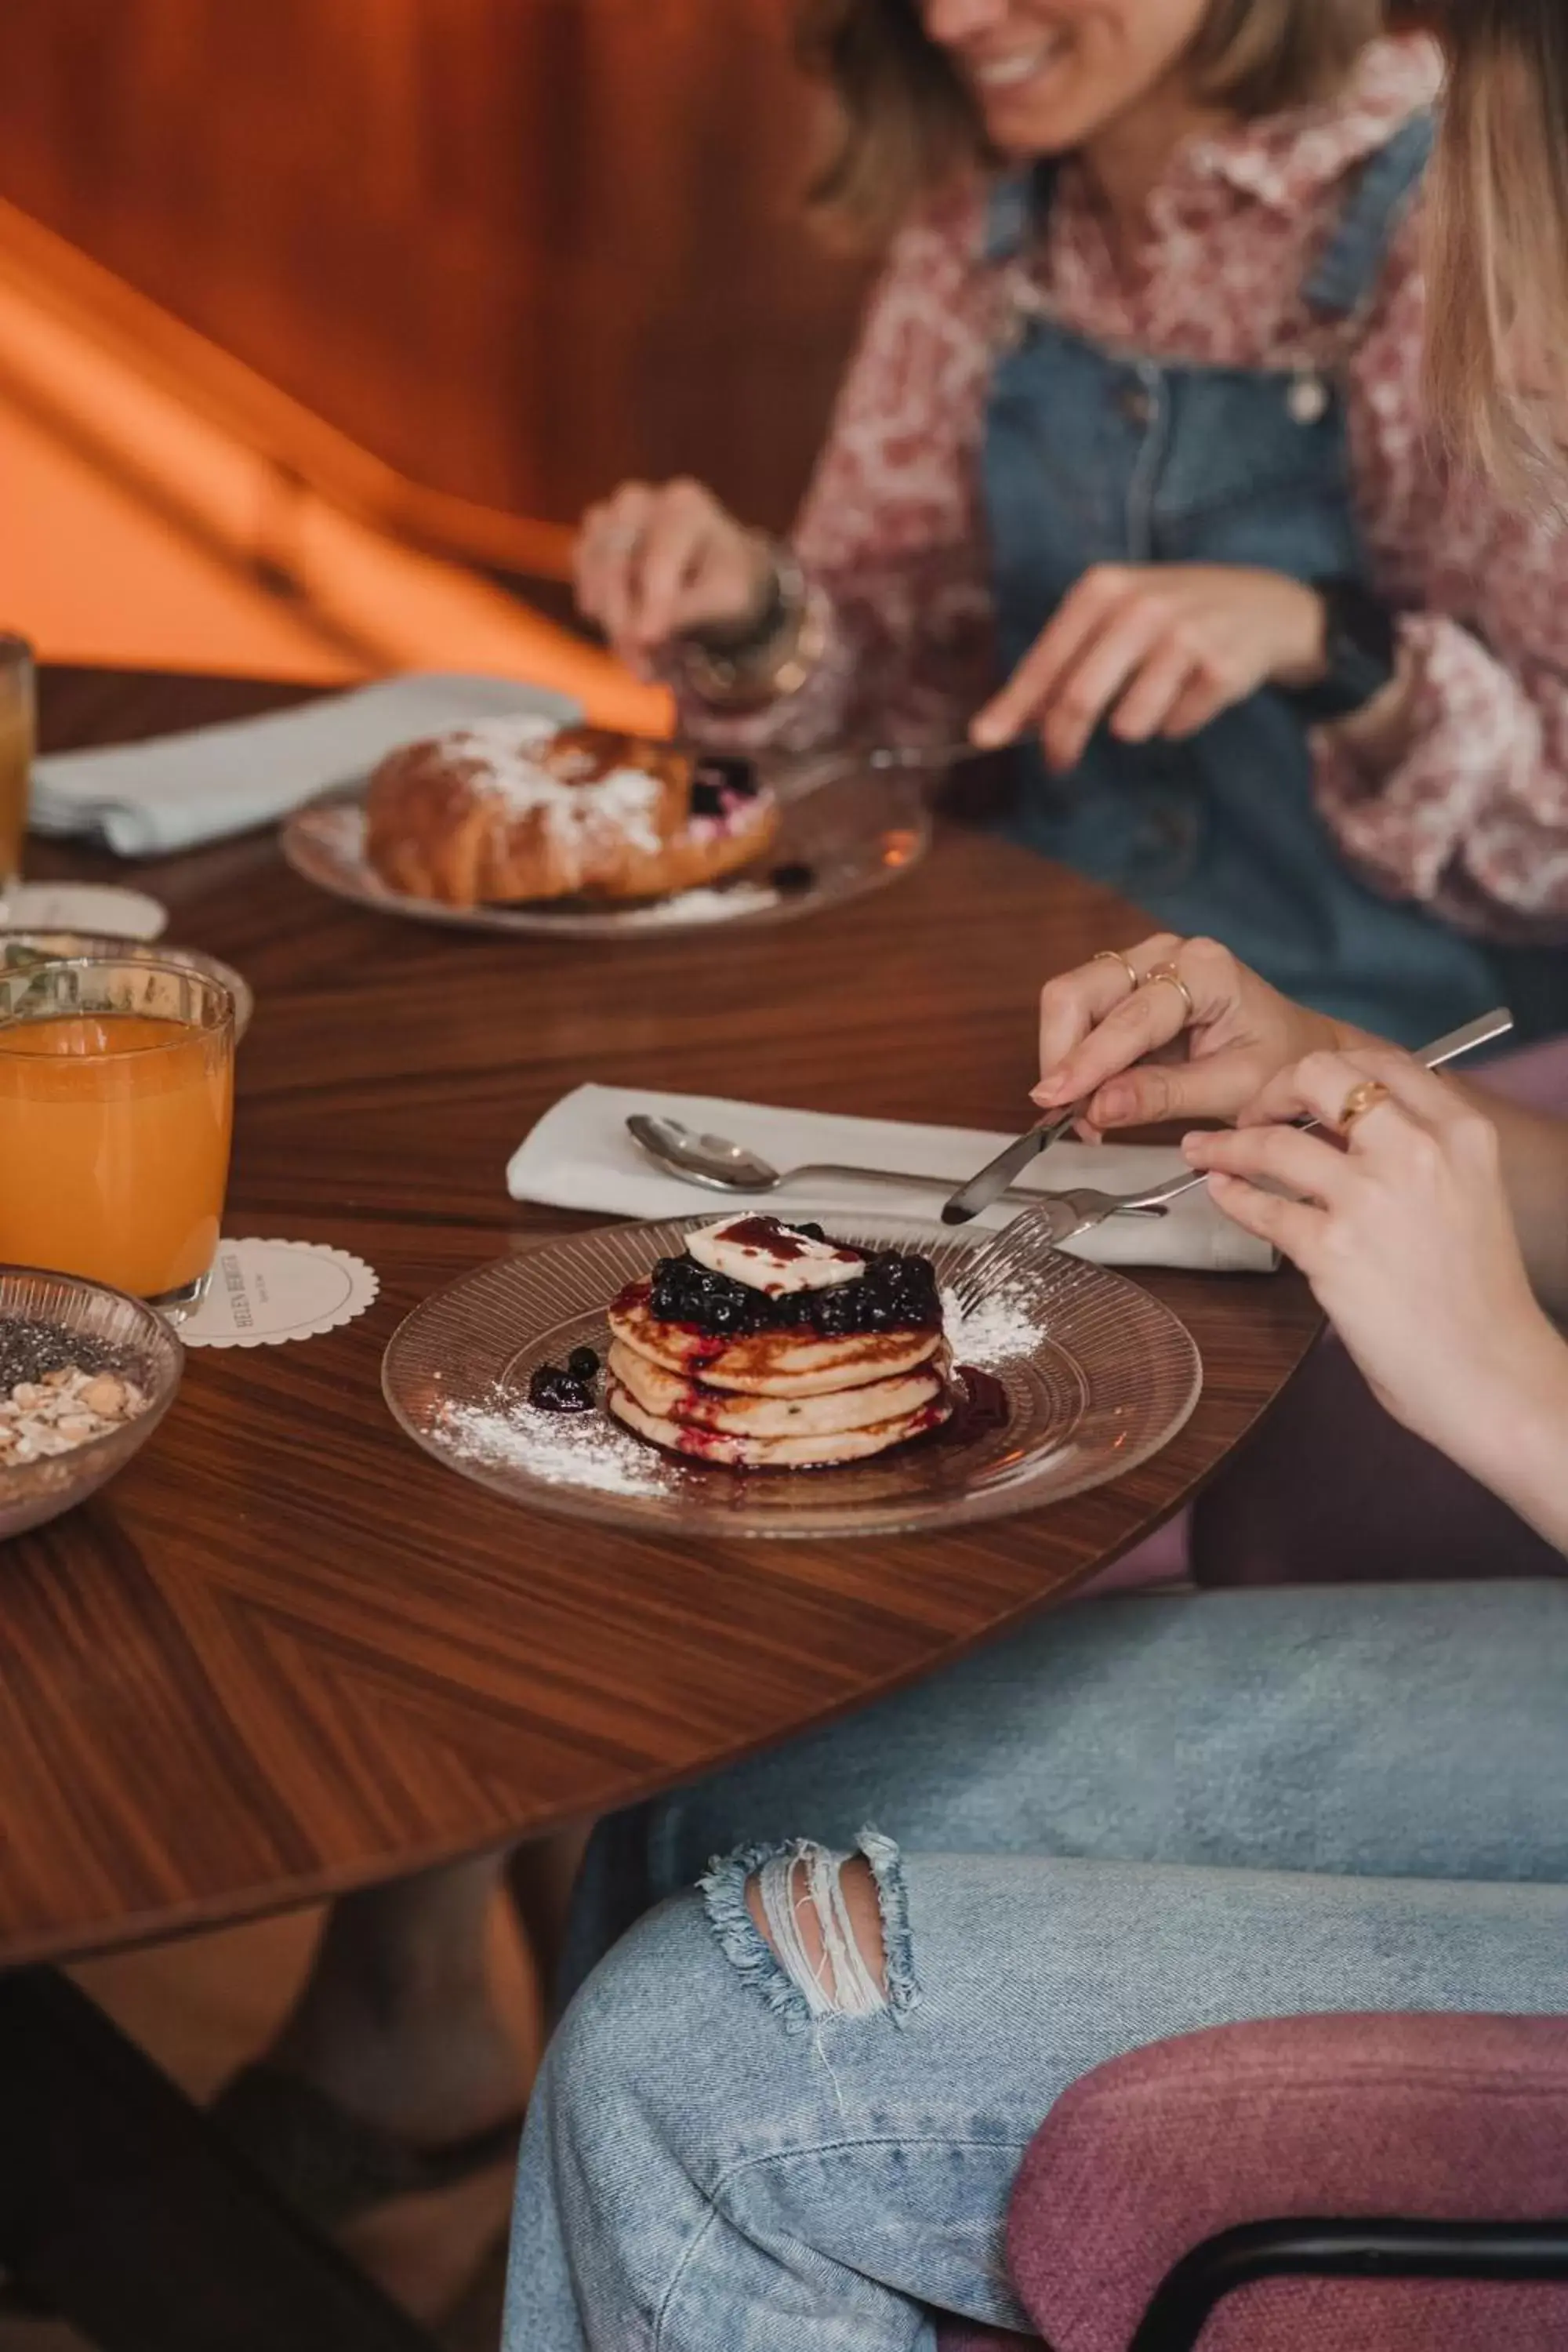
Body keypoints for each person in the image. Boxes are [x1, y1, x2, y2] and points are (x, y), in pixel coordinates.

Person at [575, 1, 1568, 1047]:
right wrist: (756, 618)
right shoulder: (985, 221)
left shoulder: (1470, 198)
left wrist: (1328, 647)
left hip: (1393, 1073)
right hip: (1042, 1021)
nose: (952, 18)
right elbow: (893, 756)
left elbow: (1551, 859)